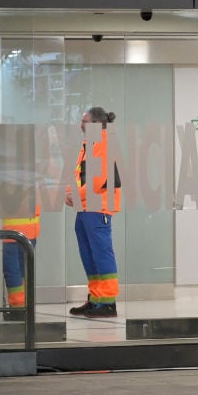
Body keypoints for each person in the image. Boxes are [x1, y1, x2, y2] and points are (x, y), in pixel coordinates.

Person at [65, 107, 122, 318]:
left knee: (101, 254)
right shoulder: (89, 144)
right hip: (87, 206)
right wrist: (70, 193)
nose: (81, 124)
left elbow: (97, 179)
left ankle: (108, 303)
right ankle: (96, 299)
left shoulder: (104, 143)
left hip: (98, 207)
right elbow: (80, 174)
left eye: (84, 121)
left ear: (97, 124)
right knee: (90, 255)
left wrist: (75, 196)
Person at [1, 205, 39, 322]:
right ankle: (25, 306)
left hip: (11, 229)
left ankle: (18, 307)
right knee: (23, 270)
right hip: (31, 228)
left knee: (12, 270)